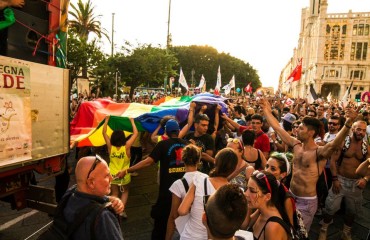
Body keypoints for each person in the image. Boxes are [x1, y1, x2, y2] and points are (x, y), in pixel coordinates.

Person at [259, 97, 357, 232]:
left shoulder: (319, 152)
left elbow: (334, 144)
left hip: (306, 202)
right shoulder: (296, 145)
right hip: (290, 195)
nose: (296, 130)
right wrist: (265, 110)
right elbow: (276, 127)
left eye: (301, 128)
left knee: (299, 232)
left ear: (310, 132)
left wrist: (348, 123)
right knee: (286, 228)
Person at [117, 119, 187, 240]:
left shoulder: (162, 144)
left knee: (162, 220)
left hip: (167, 190)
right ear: (178, 131)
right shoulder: (187, 144)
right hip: (184, 190)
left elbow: (148, 162)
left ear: (166, 131)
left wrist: (127, 170)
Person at [319, 120, 370, 240]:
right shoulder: (343, 142)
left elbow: (369, 166)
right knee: (330, 207)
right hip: (340, 180)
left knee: (352, 211)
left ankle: (346, 232)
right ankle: (324, 229)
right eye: (358, 129)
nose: (361, 132)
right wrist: (335, 179)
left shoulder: (366, 147)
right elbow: (332, 162)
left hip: (356, 184)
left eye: (363, 130)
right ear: (352, 129)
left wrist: (366, 179)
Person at [177, 148, 238, 240]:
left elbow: (182, 211)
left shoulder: (199, 180)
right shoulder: (233, 192)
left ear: (215, 162)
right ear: (234, 168)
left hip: (190, 235)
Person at [63, 156, 124, 240]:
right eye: (106, 176)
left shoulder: (69, 195)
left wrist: (109, 199)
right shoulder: (103, 217)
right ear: (91, 182)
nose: (111, 178)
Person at [166, 144, 207, 240]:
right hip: (204, 228)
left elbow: (173, 215)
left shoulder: (178, 184)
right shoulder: (206, 178)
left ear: (182, 160)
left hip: (186, 230)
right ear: (199, 160)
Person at [102, 115, 138, 218]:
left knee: (114, 193)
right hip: (124, 175)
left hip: (112, 174)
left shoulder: (110, 147)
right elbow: (135, 133)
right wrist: (132, 121)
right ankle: (121, 211)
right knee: (125, 192)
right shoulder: (126, 147)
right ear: (123, 138)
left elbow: (104, 133)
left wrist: (106, 120)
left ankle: (113, 210)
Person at [245, 170, 291, 240]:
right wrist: (249, 203)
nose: (246, 193)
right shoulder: (261, 211)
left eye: (252, 191)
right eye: (247, 188)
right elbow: (244, 226)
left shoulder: (273, 226)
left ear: (267, 197)